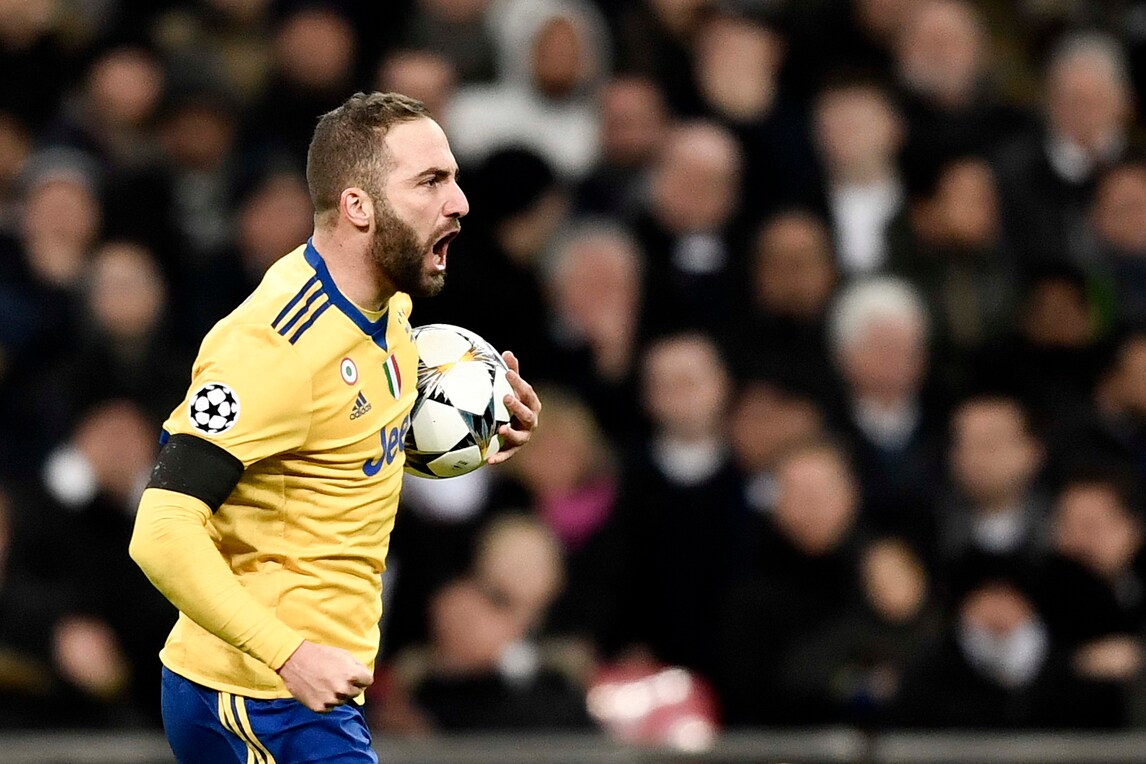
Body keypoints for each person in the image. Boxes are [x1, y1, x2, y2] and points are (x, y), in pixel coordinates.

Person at [129, 91, 541, 763]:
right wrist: (289, 654)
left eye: (454, 178)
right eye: (430, 181)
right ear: (358, 206)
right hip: (257, 697)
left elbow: (334, 451)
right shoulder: (273, 348)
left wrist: (481, 424)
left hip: (307, 691)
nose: (460, 202)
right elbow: (161, 530)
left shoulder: (389, 310)